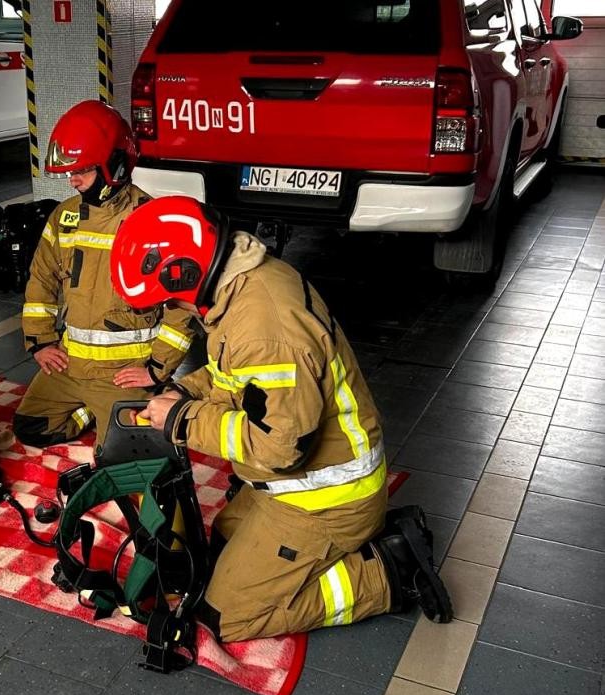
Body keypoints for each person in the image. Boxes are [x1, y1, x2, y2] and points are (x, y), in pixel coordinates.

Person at [108, 196, 453, 642]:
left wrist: (183, 419)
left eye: (170, 300)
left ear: (188, 275)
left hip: (326, 501)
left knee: (225, 616)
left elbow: (279, 447)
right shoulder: (241, 288)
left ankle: (389, 571)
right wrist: (185, 391)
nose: (173, 310)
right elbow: (238, 384)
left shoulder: (264, 328)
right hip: (291, 486)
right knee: (219, 543)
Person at [12, 100, 195, 448]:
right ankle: (90, 414)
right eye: (69, 172)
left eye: (82, 170)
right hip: (69, 364)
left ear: (115, 165)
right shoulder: (63, 218)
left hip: (125, 374)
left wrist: (156, 369)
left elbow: (181, 306)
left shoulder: (152, 221)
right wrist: (41, 342)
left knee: (128, 455)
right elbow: (42, 281)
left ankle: (108, 413)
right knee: (30, 428)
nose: (73, 181)